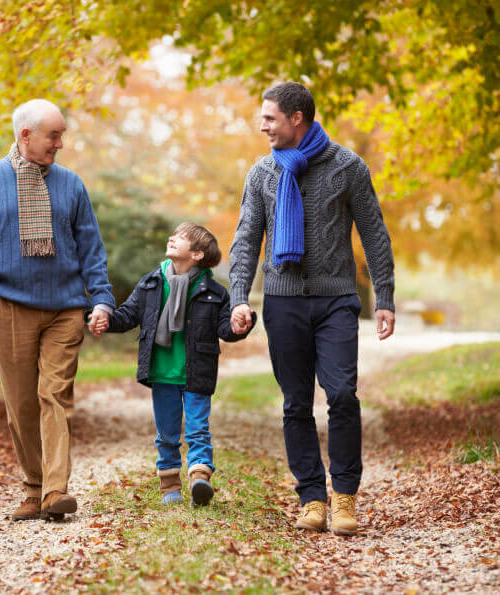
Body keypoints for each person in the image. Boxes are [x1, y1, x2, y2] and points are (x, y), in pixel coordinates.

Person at [229, 82, 395, 536]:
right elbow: (245, 240)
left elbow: (374, 233)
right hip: (282, 301)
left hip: (337, 299)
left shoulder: (347, 167)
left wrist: (384, 298)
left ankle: (344, 497)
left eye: (270, 118)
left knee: (341, 394)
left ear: (295, 118)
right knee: (295, 403)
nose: (262, 126)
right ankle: (312, 498)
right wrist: (239, 297)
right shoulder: (262, 173)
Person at [0, 99, 115, 521]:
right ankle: (33, 486)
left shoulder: (71, 185)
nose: (60, 144)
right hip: (10, 308)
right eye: (54, 135)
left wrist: (100, 297)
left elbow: (91, 251)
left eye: (62, 134)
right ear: (25, 135)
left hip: (65, 309)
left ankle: (54, 490)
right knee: (21, 405)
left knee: (54, 396)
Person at [90, 223, 255, 506]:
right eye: (174, 235)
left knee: (198, 429)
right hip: (161, 371)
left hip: (197, 372)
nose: (172, 238)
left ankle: (200, 478)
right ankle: (170, 487)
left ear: (198, 254)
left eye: (181, 238)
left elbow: (226, 330)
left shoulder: (215, 292)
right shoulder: (151, 283)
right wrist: (106, 320)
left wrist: (240, 325)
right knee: (166, 433)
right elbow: (128, 316)